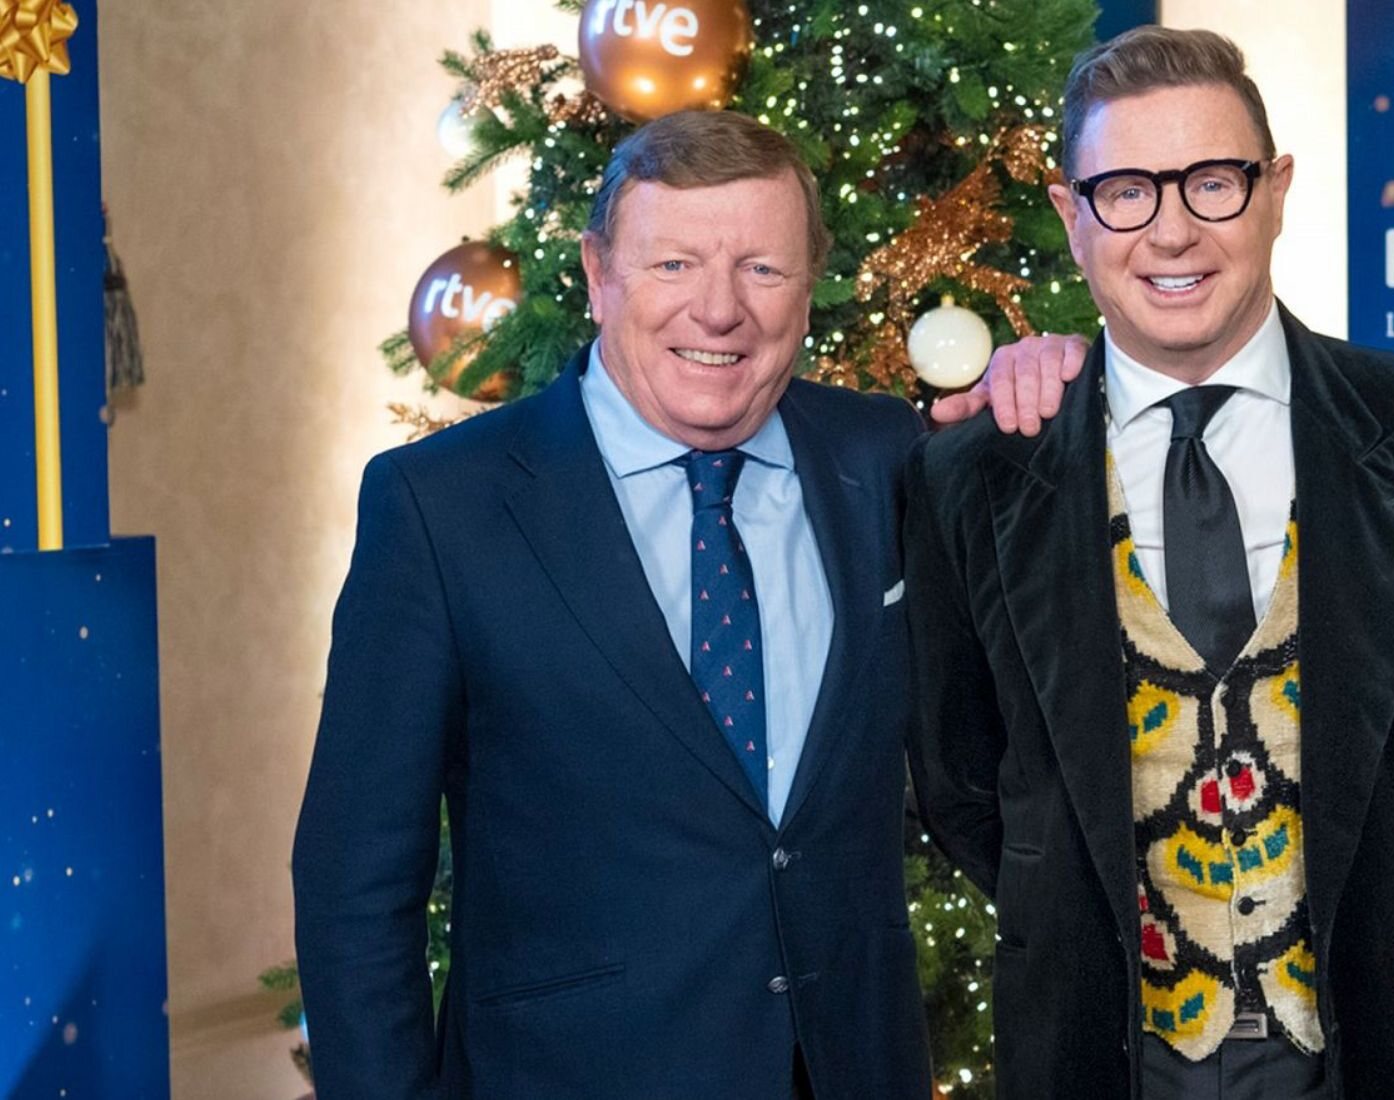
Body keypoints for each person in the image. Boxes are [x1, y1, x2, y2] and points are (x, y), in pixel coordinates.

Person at [291, 108, 1066, 1099]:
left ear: (808, 288)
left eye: (762, 268)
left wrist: (1059, 384)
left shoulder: (882, 456)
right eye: (673, 265)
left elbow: (1022, 708)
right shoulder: (443, 506)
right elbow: (355, 888)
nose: (718, 310)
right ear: (597, 273)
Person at [904, 26, 1394, 1099]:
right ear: (1070, 216)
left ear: (1274, 190)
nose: (1172, 230)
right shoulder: (971, 476)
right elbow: (960, 780)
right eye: (1126, 191)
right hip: (1105, 1059)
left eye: (1213, 183)